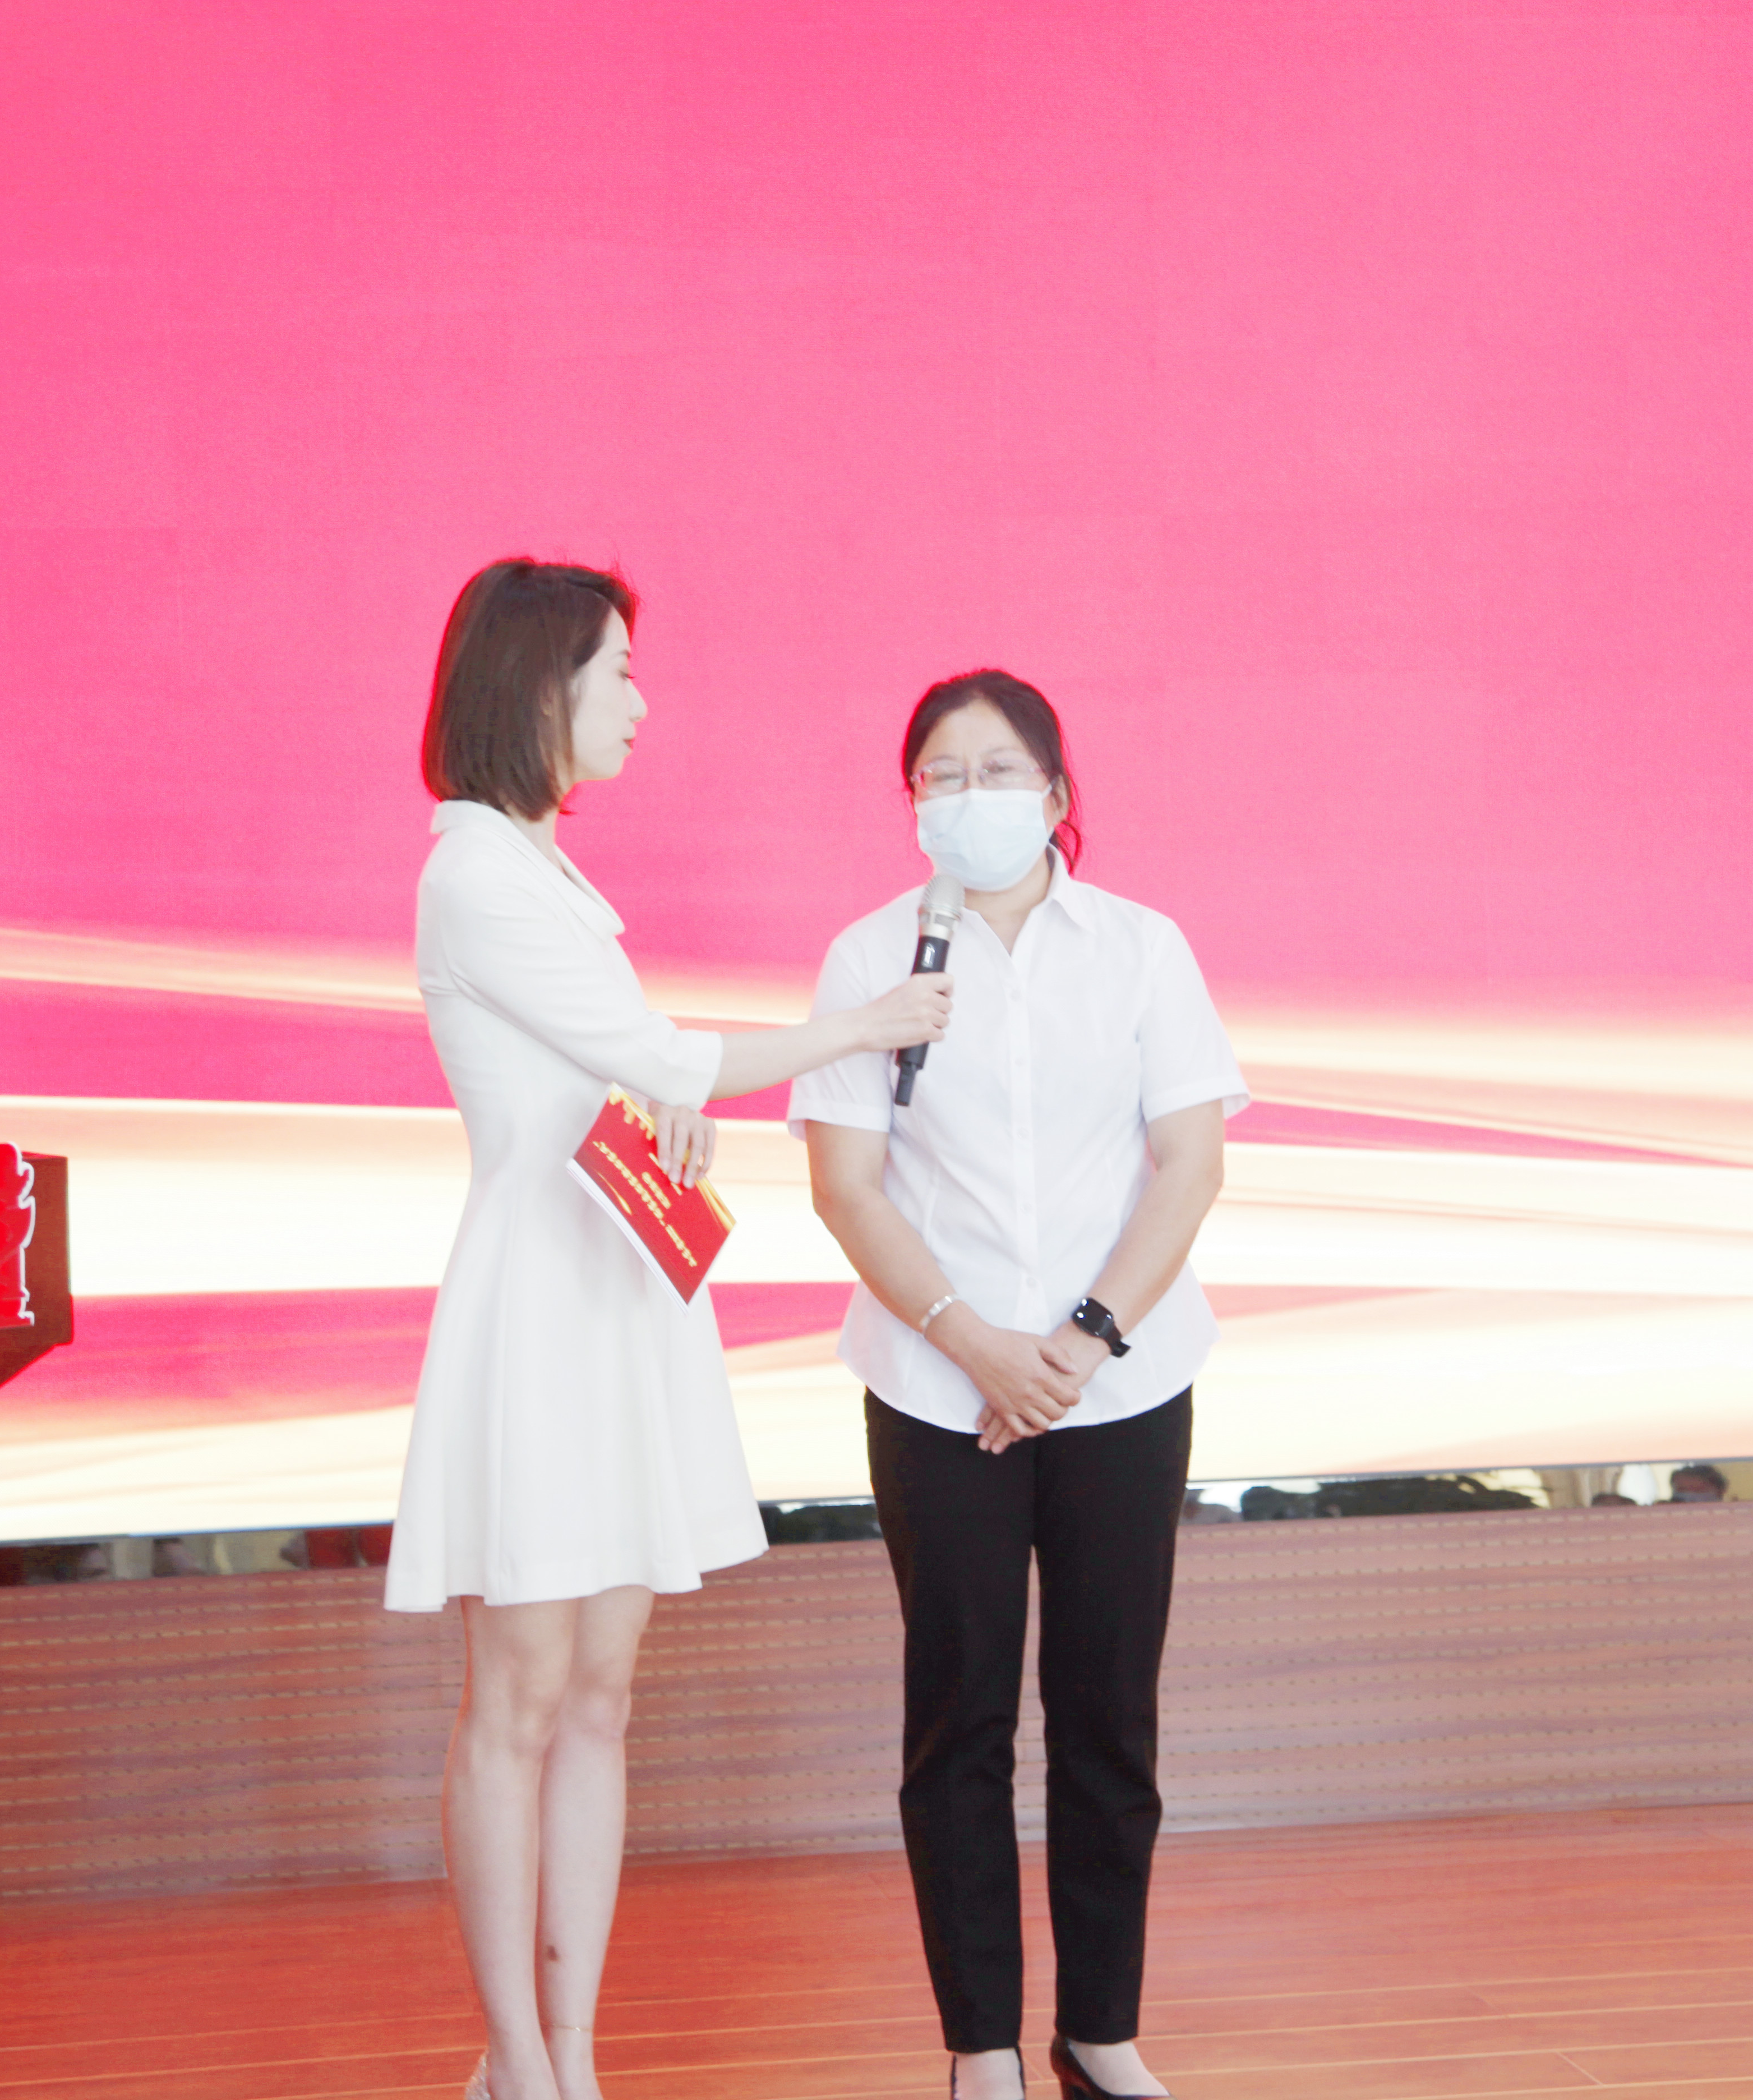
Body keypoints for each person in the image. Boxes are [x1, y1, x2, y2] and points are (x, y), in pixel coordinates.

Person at [385, 559, 953, 2100]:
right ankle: (517, 2059)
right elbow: (649, 1049)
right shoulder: (474, 874)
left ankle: (569, 2051)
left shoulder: (546, 872)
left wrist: (660, 1113)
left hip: (620, 1292)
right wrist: (861, 1026)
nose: (640, 704)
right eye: (619, 674)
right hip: (540, 1313)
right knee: (517, 1695)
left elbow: (613, 1076)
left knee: (600, 1691)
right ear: (539, 686)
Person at [791, 671, 1243, 2100]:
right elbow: (847, 1186)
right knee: (961, 1722)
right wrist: (976, 1342)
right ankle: (979, 2048)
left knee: (1110, 1718)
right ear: (912, 801)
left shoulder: (1142, 948)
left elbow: (1190, 1162)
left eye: (997, 772)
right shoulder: (871, 958)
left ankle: (1100, 2033)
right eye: (940, 774)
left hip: (1121, 1386)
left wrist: (1082, 1341)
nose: (968, 797)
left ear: (1055, 794)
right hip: (939, 1392)